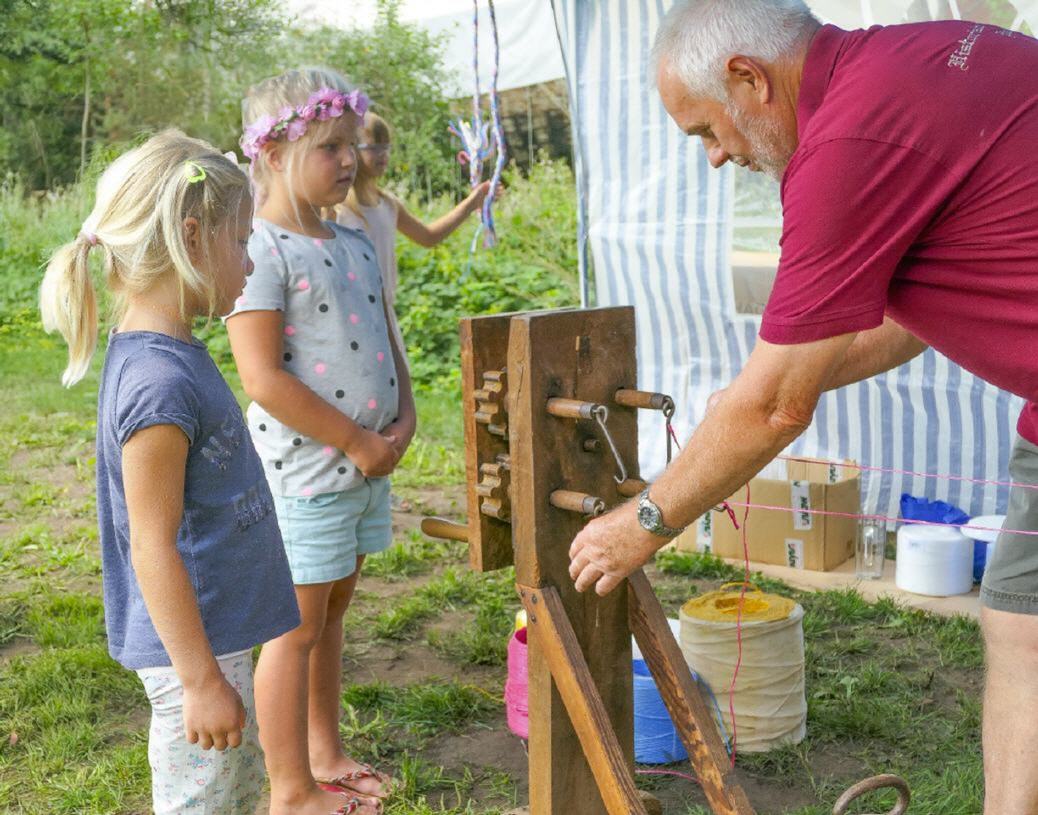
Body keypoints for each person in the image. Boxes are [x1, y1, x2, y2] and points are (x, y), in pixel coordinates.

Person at [566, 3, 1038, 813]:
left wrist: (642, 519)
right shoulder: (916, 56)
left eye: (705, 131)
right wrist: (771, 388)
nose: (715, 157)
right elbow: (901, 322)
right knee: (1021, 619)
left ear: (749, 78)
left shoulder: (847, 143)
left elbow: (776, 410)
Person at [39, 130, 301, 815]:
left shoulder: (176, 349)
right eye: (240, 241)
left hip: (217, 642)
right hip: (197, 651)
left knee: (234, 796)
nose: (249, 263)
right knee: (202, 804)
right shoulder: (157, 381)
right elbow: (149, 543)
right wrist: (201, 681)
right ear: (191, 237)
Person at [227, 68, 415, 815]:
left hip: (364, 466)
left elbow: (384, 327)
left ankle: (325, 751)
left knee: (333, 612)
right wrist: (354, 439)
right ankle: (290, 790)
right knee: (294, 630)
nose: (351, 159)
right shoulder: (260, 250)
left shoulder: (354, 235)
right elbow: (262, 376)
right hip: (307, 472)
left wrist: (403, 415)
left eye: (353, 143)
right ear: (273, 151)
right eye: (331, 146)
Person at [335, 111, 500, 352]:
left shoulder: (388, 204)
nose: (383, 154)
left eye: (386, 147)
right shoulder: (338, 208)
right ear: (351, 150)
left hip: (385, 316)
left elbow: (428, 236)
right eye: (373, 147)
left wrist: (473, 202)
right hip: (349, 318)